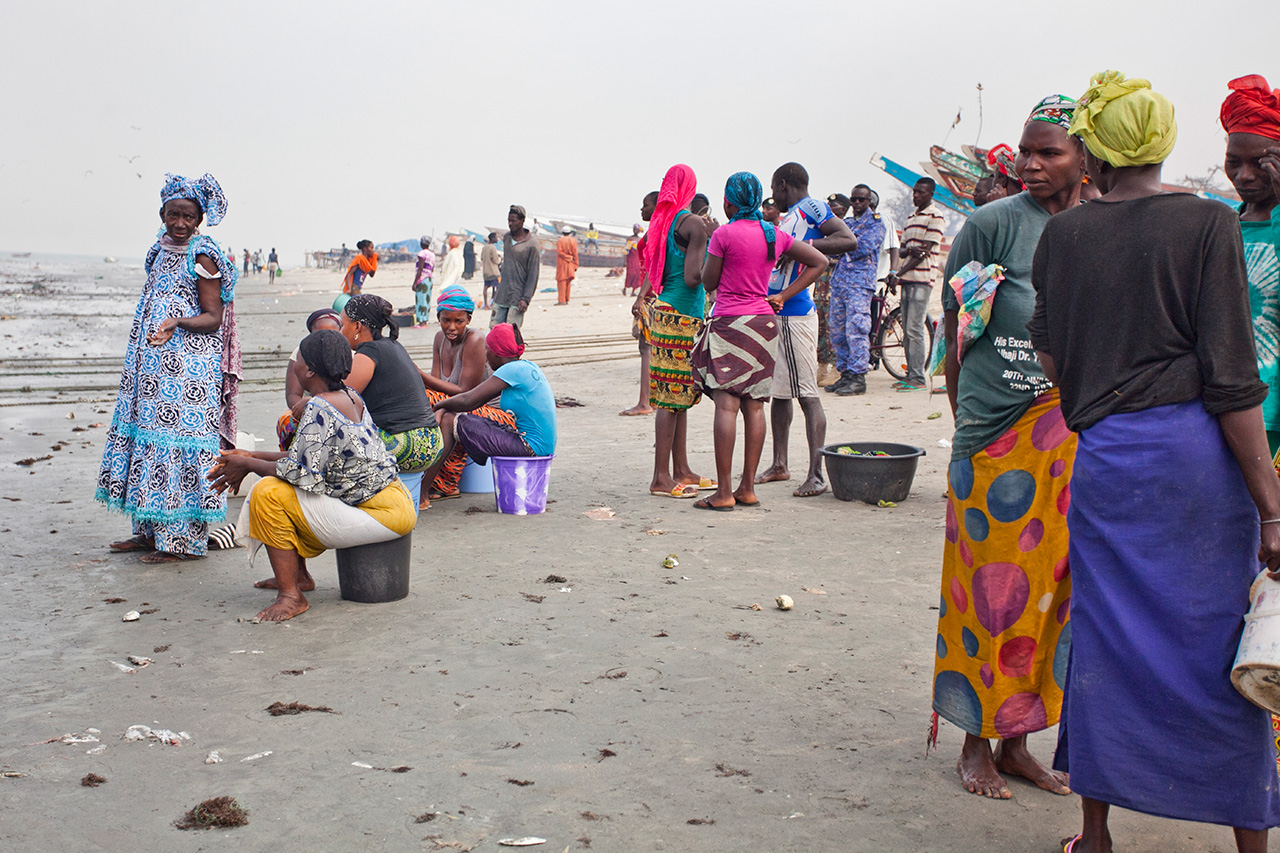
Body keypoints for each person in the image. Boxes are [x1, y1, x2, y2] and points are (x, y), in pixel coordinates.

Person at [1029, 70, 1280, 853]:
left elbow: (1050, 353)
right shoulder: (1208, 224)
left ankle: (1096, 835)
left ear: (1095, 152)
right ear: (1164, 142)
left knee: (1106, 639)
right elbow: (1233, 377)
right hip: (1200, 462)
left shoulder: (1064, 234)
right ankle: (1249, 840)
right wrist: (1272, 507)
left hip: (1109, 460)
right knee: (1218, 648)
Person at [929, 94, 1084, 802]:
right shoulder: (990, 226)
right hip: (993, 433)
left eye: (1049, 151)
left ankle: (1019, 742)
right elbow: (957, 324)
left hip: (1067, 437)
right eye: (1027, 149)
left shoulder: (1096, 228)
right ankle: (973, 742)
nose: (1031, 163)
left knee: (1046, 594)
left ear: (1085, 158)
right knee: (983, 595)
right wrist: (966, 420)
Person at [210, 329, 415, 622]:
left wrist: (249, 465)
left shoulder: (320, 407)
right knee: (278, 486)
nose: (294, 363)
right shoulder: (350, 396)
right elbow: (306, 460)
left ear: (307, 370)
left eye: (298, 358)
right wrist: (249, 456)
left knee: (268, 493)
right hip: (394, 501)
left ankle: (291, 596)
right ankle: (299, 577)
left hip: (380, 513)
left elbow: (299, 473)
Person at [98, 172, 240, 563]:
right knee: (147, 438)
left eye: (188, 216)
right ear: (162, 213)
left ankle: (181, 544)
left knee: (177, 447)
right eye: (172, 214)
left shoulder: (204, 255)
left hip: (188, 371)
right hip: (151, 368)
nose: (179, 223)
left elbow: (213, 317)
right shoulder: (158, 250)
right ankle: (149, 531)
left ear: (199, 218)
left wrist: (177, 322)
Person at [694, 171, 828, 511]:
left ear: (728, 202)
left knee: (727, 405)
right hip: (765, 322)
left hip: (730, 321)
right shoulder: (773, 233)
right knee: (755, 406)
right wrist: (782, 294)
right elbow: (819, 261)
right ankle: (747, 488)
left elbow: (709, 280)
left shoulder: (723, 234)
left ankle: (723, 493)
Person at [757, 162, 855, 498]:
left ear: (784, 185)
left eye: (774, 189)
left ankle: (816, 474)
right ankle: (780, 463)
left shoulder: (812, 207)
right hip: (781, 311)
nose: (772, 196)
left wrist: (802, 250)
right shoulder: (789, 216)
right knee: (780, 392)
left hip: (797, 312)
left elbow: (847, 239)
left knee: (806, 393)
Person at [642, 164, 712, 498]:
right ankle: (661, 477)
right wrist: (711, 242)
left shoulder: (663, 221)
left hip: (666, 309)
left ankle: (681, 469)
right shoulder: (693, 223)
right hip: (681, 315)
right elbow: (694, 278)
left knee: (678, 396)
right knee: (671, 400)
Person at [339, 293, 443, 511]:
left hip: (408, 445)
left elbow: (342, 400)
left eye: (342, 325)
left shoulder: (369, 354)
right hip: (432, 441)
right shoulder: (393, 346)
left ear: (357, 326)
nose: (341, 331)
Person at [1222, 74, 1280, 458]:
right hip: (1226, 409)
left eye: (1261, 162)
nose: (1244, 175)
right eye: (1233, 162)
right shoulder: (1221, 225)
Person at [417, 285, 518, 502]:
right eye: (446, 320)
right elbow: (436, 386)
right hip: (458, 403)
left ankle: (432, 486)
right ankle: (439, 482)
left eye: (458, 321)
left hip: (485, 409)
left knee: (434, 405)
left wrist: (419, 375)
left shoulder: (474, 340)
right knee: (426, 400)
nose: (451, 327)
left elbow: (466, 393)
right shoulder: (438, 338)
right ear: (438, 318)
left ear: (469, 320)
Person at [433, 323, 557, 465]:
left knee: (449, 421)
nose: (485, 356)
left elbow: (468, 400)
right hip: (541, 446)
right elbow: (476, 402)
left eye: (487, 349)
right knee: (464, 419)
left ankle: (424, 486)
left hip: (530, 447)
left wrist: (438, 406)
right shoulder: (527, 366)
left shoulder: (510, 370)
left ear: (497, 353)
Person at [827, 185, 886, 396]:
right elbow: (832, 243)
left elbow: (861, 247)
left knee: (857, 331)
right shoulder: (847, 223)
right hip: (840, 283)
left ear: (869, 201)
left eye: (862, 199)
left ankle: (858, 376)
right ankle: (845, 375)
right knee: (838, 331)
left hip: (859, 285)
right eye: (854, 199)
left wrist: (840, 244)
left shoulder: (876, 224)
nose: (858, 203)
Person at [887, 178, 945, 390]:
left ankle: (918, 378)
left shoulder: (936, 216)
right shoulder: (911, 218)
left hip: (922, 279)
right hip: (907, 280)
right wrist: (912, 251)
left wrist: (900, 271)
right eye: (914, 192)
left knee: (914, 327)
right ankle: (910, 374)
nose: (916, 196)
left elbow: (924, 251)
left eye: (921, 192)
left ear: (931, 194)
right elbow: (903, 250)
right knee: (908, 329)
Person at [276, 308, 343, 450]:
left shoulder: (346, 353)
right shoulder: (301, 353)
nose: (326, 339)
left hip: (337, 408)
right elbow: (292, 395)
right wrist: (306, 408)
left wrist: (318, 404)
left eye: (332, 333)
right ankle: (292, 454)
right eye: (319, 334)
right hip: (307, 409)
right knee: (286, 420)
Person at [622, 191, 659, 417]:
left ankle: (644, 402)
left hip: (651, 295)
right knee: (649, 347)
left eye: (646, 205)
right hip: (652, 292)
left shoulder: (656, 230)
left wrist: (640, 296)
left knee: (646, 347)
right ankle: (649, 400)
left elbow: (653, 266)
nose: (642, 209)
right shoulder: (657, 229)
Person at [494, 205, 539, 328]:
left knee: (511, 334)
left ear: (522, 221)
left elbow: (533, 275)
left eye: (513, 220)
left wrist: (526, 299)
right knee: (495, 332)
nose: (510, 223)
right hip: (502, 294)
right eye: (508, 220)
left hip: (518, 297)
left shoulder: (532, 244)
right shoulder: (507, 238)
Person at [869, 189, 900, 288]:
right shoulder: (851, 223)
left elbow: (893, 246)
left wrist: (893, 271)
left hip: (876, 281)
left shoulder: (883, 221)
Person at [412, 236, 435, 327]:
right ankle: (425, 320)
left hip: (422, 279)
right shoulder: (432, 254)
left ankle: (422, 321)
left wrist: (415, 282)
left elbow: (420, 269)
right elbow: (432, 268)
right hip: (429, 278)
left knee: (421, 300)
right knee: (427, 299)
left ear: (421, 244)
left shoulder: (422, 253)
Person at [555, 227, 579, 304]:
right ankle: (566, 299)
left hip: (563, 263)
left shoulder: (560, 240)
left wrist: (567, 257)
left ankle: (562, 300)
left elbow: (560, 252)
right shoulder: (573, 240)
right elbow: (575, 253)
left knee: (561, 281)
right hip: (571, 263)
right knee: (568, 282)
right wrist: (576, 264)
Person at [480, 232, 502, 310]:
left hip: (486, 272)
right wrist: (500, 259)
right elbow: (496, 260)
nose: (497, 239)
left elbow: (482, 258)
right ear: (492, 239)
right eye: (496, 238)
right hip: (494, 272)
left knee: (485, 288)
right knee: (498, 287)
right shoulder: (492, 248)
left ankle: (486, 304)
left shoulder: (484, 247)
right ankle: (493, 303)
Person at [624, 223, 645, 296]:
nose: (635, 231)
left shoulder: (640, 239)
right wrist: (625, 261)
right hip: (630, 258)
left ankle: (633, 290)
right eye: (634, 229)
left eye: (636, 229)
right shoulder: (630, 239)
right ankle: (625, 288)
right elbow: (626, 250)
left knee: (637, 274)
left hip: (637, 258)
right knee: (630, 273)